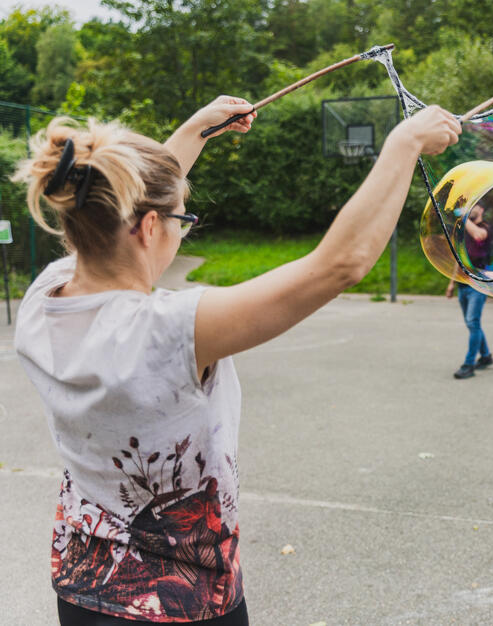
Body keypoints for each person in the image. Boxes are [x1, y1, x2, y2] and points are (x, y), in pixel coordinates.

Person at [12, 96, 460, 624]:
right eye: (182, 220)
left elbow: (116, 208)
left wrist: (196, 130)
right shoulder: (167, 330)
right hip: (185, 603)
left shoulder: (43, 299)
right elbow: (339, 265)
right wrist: (405, 142)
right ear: (149, 228)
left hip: (82, 587)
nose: (182, 229)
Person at [445, 204, 493, 379]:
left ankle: (469, 364)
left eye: (474, 206)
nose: (470, 208)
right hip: (463, 285)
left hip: (478, 285)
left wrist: (463, 216)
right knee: (471, 323)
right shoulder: (465, 232)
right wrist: (452, 282)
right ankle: (486, 356)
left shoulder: (485, 228)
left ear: (482, 210)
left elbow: (478, 235)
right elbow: (459, 259)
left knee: (473, 322)